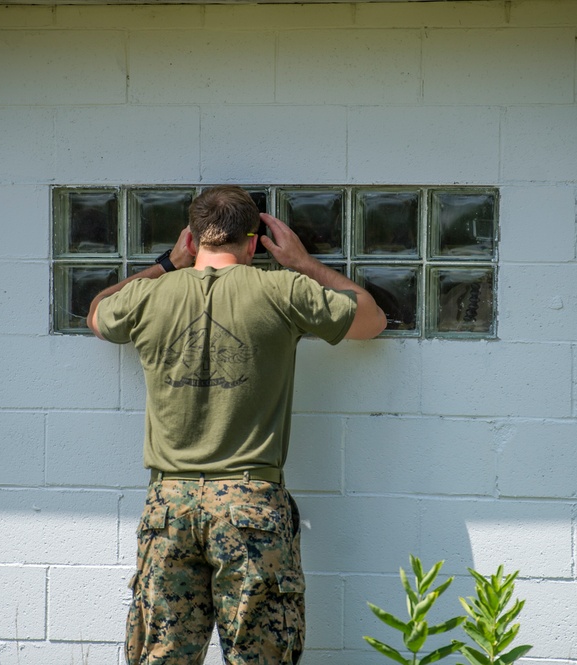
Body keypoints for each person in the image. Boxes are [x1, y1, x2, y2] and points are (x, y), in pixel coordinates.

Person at [87, 186, 387, 665]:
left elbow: (98, 314)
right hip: (251, 503)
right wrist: (304, 264)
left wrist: (165, 264)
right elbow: (371, 320)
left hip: (170, 506)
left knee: (161, 656)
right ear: (254, 242)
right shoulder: (282, 289)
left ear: (192, 237)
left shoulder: (148, 296)